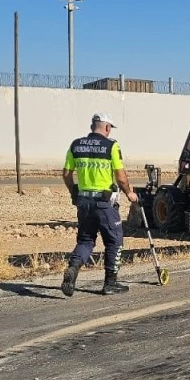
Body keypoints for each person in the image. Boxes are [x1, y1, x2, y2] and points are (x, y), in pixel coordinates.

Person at [60, 113, 139, 297]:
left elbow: (66, 174)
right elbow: (120, 176)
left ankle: (73, 268)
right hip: (104, 203)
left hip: (84, 202)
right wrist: (129, 193)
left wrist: (74, 192)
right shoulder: (111, 146)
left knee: (86, 240)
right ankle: (110, 283)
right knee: (114, 241)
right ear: (107, 128)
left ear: (92, 126)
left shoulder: (75, 145)